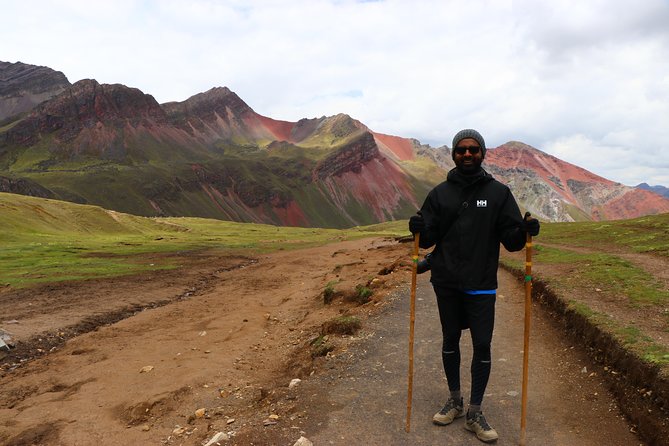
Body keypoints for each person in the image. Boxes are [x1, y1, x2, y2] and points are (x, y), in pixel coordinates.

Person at [408, 129, 540, 443]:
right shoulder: (439, 194)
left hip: (481, 283)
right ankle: (454, 399)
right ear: (454, 154)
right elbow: (427, 238)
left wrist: (525, 231)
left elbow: (510, 242)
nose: (467, 154)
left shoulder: (498, 193)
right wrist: (418, 227)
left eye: (473, 149)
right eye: (462, 150)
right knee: (450, 339)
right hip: (447, 282)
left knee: (482, 345)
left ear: (482, 153)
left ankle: (475, 411)